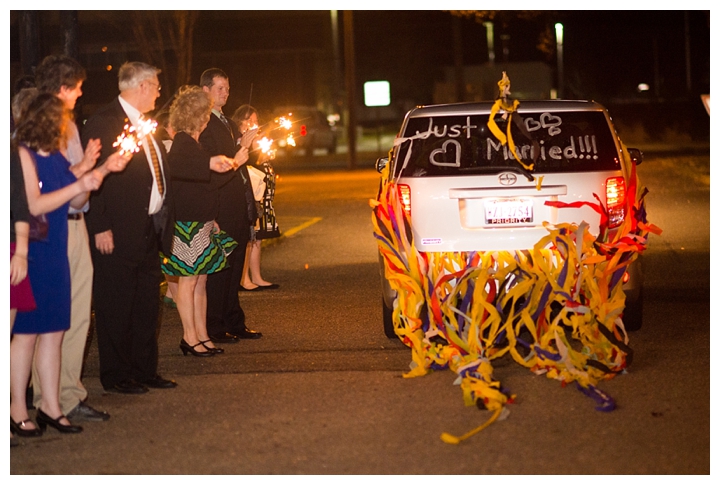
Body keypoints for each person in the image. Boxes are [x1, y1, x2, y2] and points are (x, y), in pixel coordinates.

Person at [11, 92, 127, 436]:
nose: (67, 124)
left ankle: (51, 406)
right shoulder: (23, 155)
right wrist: (82, 180)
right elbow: (33, 204)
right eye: (61, 119)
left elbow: (76, 199)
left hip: (56, 249)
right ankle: (18, 407)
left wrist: (101, 169)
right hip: (33, 251)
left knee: (54, 332)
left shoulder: (57, 155)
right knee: (27, 335)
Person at [83, 61, 177, 394]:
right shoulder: (105, 122)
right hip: (117, 229)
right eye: (156, 86)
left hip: (148, 228)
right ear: (140, 87)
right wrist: (100, 225)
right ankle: (117, 374)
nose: (159, 92)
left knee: (146, 305)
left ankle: (144, 369)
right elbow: (91, 178)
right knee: (116, 304)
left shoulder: (145, 124)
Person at [30, 54, 111, 423]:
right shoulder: (43, 127)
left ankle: (60, 393)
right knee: (56, 318)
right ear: (63, 88)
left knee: (73, 315)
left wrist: (90, 171)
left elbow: (74, 182)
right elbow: (54, 183)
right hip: (56, 226)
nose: (80, 94)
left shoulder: (67, 124)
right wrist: (89, 170)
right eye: (77, 88)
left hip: (76, 222)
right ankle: (52, 396)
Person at [162, 85, 246, 356]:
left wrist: (212, 216)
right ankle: (190, 337)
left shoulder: (193, 142)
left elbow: (205, 183)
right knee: (188, 282)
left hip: (201, 221)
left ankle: (201, 335)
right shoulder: (184, 142)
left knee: (199, 281)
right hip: (187, 224)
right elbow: (183, 169)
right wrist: (223, 163)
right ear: (199, 116)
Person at [198, 68, 263, 343]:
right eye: (220, 88)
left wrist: (245, 143)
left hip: (237, 199)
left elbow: (237, 156)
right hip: (221, 202)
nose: (225, 93)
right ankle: (215, 324)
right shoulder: (203, 123)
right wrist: (237, 153)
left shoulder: (224, 120)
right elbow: (213, 163)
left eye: (227, 88)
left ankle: (234, 320)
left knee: (235, 265)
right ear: (205, 90)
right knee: (220, 268)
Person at [232, 104, 281, 291]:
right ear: (239, 122)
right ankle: (244, 279)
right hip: (250, 192)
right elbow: (248, 162)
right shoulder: (239, 140)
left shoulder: (258, 139)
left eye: (255, 120)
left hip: (262, 194)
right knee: (249, 237)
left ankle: (257, 276)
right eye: (248, 120)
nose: (253, 124)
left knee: (257, 237)